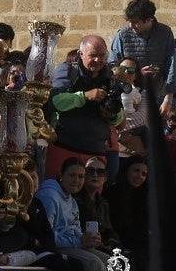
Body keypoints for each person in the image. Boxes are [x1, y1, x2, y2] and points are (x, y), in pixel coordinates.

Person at [36, 158, 108, 271]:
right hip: (53, 248)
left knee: (109, 262)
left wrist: (88, 239)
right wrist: (77, 241)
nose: (76, 180)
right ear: (61, 176)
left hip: (71, 245)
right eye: (72, 175)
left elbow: (74, 230)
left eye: (81, 177)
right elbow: (46, 235)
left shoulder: (72, 200)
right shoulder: (50, 196)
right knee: (94, 264)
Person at [48, 35, 121, 180]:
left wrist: (111, 115)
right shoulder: (67, 71)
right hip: (64, 147)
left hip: (96, 154)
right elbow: (56, 101)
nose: (98, 60)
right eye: (93, 55)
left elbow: (120, 117)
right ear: (81, 54)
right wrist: (85, 96)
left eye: (102, 55)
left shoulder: (110, 78)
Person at [109, 0, 174, 93]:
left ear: (148, 19)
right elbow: (113, 67)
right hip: (129, 94)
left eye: (135, 22)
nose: (131, 25)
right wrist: (137, 75)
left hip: (157, 93)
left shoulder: (165, 33)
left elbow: (171, 63)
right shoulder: (122, 35)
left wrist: (169, 94)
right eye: (129, 21)